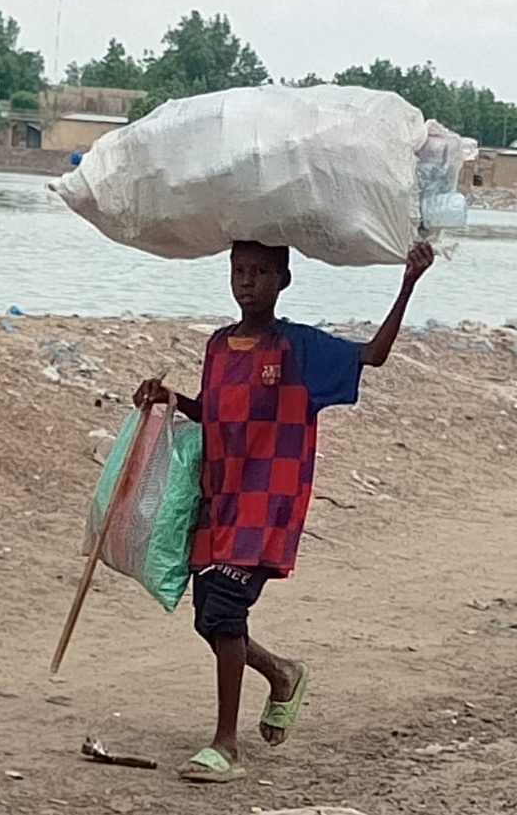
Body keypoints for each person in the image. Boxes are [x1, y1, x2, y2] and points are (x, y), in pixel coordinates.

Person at [134, 239, 434, 783]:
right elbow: (215, 413)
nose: (247, 282)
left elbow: (372, 354)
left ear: (283, 281)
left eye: (260, 273)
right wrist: (168, 399)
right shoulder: (219, 346)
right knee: (208, 617)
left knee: (225, 609)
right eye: (239, 271)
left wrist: (408, 283)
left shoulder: (298, 348)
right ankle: (282, 673)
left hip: (268, 500)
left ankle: (225, 744)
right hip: (220, 498)